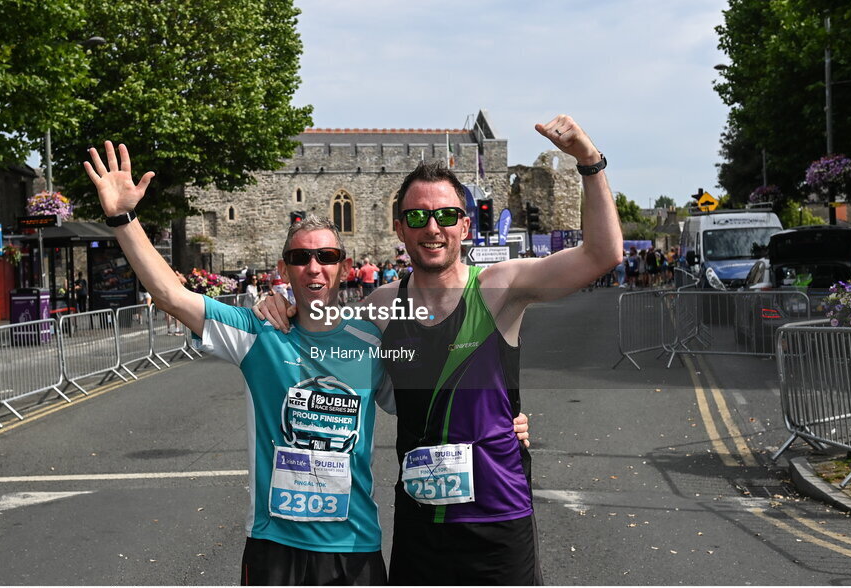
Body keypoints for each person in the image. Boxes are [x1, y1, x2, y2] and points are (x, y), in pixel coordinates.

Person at [84, 141, 529, 585]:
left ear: (344, 267)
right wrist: (124, 219)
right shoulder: (257, 333)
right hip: (274, 547)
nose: (314, 267)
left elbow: (432, 400)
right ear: (285, 269)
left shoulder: (371, 339)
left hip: (353, 549)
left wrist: (505, 419)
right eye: (301, 258)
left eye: (326, 257)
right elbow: (171, 296)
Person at [257, 115, 622, 585]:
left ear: (465, 225)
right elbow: (318, 332)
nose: (432, 227)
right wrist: (280, 303)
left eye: (446, 215)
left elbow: (602, 255)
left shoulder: (501, 288)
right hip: (419, 527)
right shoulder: (382, 306)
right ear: (399, 228)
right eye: (417, 217)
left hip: (497, 521)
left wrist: (590, 162)